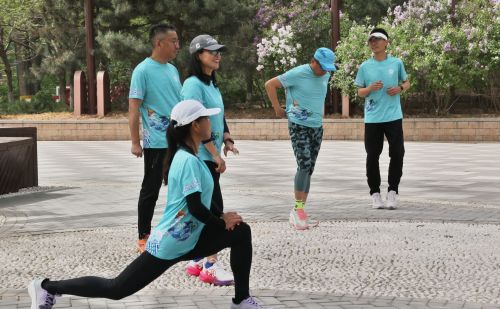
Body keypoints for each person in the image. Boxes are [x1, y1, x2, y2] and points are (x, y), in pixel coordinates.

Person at [27, 100, 269, 309]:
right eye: (206, 119)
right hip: (170, 243)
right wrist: (220, 221)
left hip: (188, 240)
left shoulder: (190, 156)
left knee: (241, 232)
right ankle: (47, 287)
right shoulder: (187, 161)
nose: (211, 124)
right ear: (195, 126)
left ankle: (241, 300)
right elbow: (195, 207)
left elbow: (202, 200)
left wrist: (223, 217)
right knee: (117, 288)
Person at [180, 34, 239, 285]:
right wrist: (215, 155)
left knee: (207, 207)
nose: (217, 55)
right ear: (198, 55)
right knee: (214, 209)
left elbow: (218, 115)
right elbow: (196, 123)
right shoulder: (193, 85)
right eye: (211, 51)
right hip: (201, 157)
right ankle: (210, 265)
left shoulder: (211, 84)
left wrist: (227, 139)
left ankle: (197, 260)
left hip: (210, 154)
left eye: (219, 51)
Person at [264, 47, 336, 230]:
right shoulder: (298, 73)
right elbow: (269, 84)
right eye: (323, 67)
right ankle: (297, 210)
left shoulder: (326, 75)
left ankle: (301, 210)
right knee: (304, 164)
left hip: (316, 126)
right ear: (314, 61)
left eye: (328, 68)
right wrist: (277, 109)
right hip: (298, 124)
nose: (326, 71)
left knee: (309, 168)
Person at [128, 24, 182, 252]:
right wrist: (134, 141)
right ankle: (144, 236)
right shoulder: (142, 71)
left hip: (179, 139)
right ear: (159, 43)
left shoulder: (172, 69)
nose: (177, 45)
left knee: (180, 187)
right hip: (156, 142)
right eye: (173, 41)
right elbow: (133, 108)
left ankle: (178, 233)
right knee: (150, 189)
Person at [354, 27, 410, 210]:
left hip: (393, 116)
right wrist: (369, 89)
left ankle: (393, 191)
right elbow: (359, 92)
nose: (374, 43)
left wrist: (400, 89)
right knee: (372, 155)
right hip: (373, 118)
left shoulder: (396, 63)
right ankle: (375, 194)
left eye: (377, 39)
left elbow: (406, 82)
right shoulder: (364, 66)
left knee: (398, 153)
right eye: (371, 40)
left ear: (386, 43)